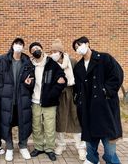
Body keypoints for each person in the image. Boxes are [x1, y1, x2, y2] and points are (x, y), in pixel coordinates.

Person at [72, 36, 123, 164]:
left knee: (109, 141)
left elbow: (117, 75)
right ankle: (92, 158)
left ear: (87, 43)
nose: (78, 48)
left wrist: (106, 91)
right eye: (76, 48)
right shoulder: (78, 67)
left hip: (105, 107)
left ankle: (111, 159)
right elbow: (77, 88)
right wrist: (78, 100)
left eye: (79, 45)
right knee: (89, 137)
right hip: (87, 108)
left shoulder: (104, 58)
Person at [49, 39, 86, 161]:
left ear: (60, 52)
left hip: (71, 93)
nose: (53, 53)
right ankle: (61, 144)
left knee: (75, 119)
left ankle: (80, 147)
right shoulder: (51, 64)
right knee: (60, 119)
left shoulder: (72, 62)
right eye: (51, 51)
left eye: (55, 51)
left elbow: (79, 79)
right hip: (59, 95)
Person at [29, 42, 67, 161]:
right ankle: (38, 147)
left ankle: (50, 149)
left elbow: (62, 79)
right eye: (33, 49)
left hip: (49, 102)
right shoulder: (30, 65)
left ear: (42, 49)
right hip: (34, 101)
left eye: (38, 48)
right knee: (36, 126)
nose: (36, 50)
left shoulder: (51, 63)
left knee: (50, 127)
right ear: (31, 53)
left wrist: (52, 94)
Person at [0, 37, 35, 161]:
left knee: (23, 123)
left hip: (22, 99)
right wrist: (1, 95)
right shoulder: (4, 60)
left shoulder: (27, 62)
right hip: (7, 99)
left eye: (21, 44)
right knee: (6, 123)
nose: (18, 46)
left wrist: (29, 83)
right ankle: (9, 147)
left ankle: (23, 146)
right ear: (12, 45)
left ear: (23, 47)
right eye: (16, 43)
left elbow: (32, 81)